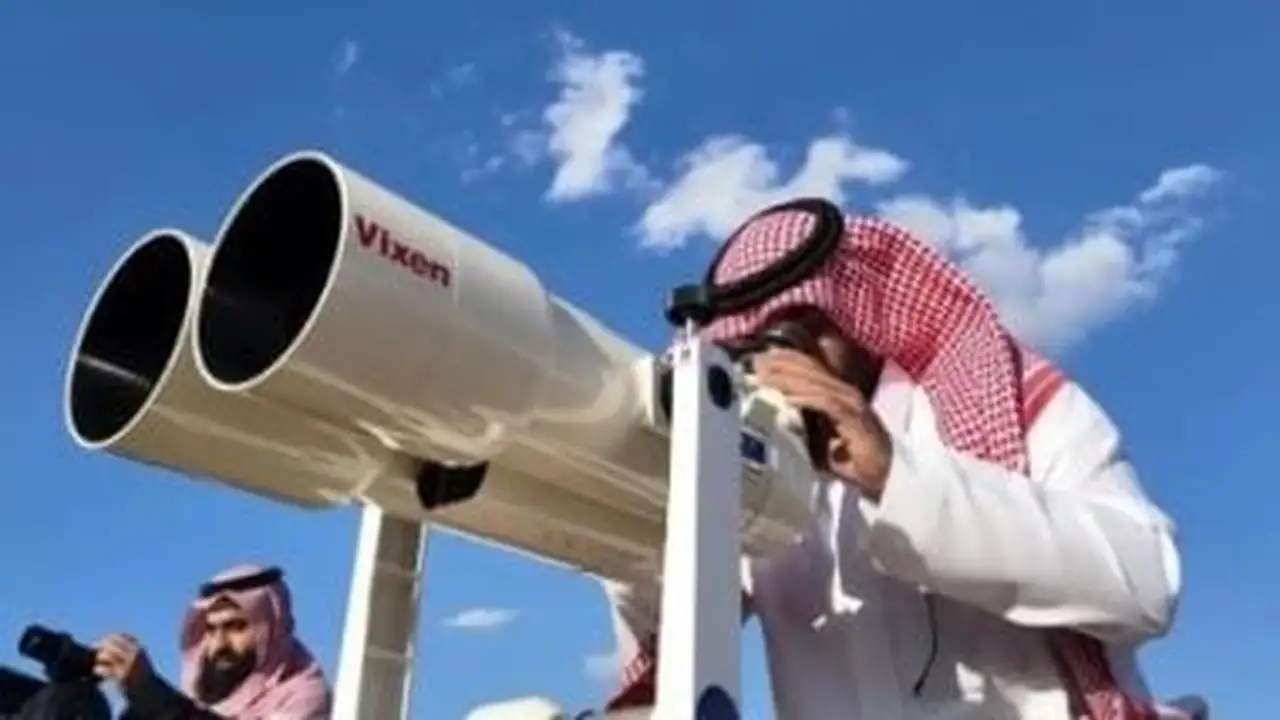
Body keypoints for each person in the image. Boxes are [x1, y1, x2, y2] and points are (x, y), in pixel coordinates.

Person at [600, 202, 1204, 718]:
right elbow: (669, 628)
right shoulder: (759, 459)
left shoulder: (1009, 401)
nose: (789, 359)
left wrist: (895, 476)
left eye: (805, 325)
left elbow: (1148, 584)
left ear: (856, 309)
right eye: (755, 340)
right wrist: (642, 498)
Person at [94, 564, 331, 719]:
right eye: (211, 629)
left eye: (236, 627)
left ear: (274, 629)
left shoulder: (305, 695)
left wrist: (150, 693)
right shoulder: (204, 687)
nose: (219, 644)